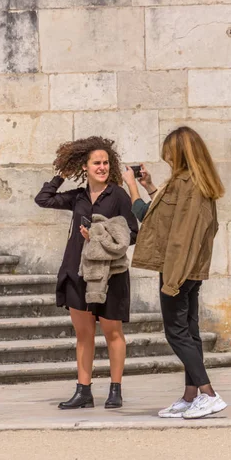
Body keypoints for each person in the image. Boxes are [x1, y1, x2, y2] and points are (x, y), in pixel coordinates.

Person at [122, 126, 227, 419]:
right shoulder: (189, 182)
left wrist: (130, 187)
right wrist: (148, 186)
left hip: (178, 269)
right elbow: (158, 216)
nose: (166, 157)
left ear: (180, 152)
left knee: (177, 333)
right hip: (186, 270)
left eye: (169, 152)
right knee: (189, 332)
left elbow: (182, 236)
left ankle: (209, 394)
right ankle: (190, 395)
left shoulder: (190, 186)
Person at [35, 136, 138, 410]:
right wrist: (61, 175)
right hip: (76, 272)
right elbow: (43, 199)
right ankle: (84, 391)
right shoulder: (78, 196)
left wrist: (98, 235)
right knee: (84, 335)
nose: (102, 167)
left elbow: (132, 233)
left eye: (105, 162)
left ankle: (115, 390)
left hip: (109, 275)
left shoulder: (117, 195)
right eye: (96, 163)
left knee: (112, 332)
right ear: (85, 166)